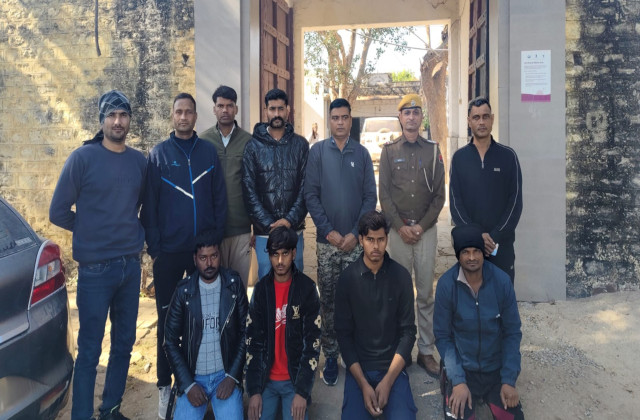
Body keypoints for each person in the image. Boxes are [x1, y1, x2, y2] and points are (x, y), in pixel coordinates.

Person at [49, 90, 146, 420]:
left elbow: (140, 205)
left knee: (124, 344)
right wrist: (88, 229)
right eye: (112, 115)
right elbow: (58, 211)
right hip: (95, 272)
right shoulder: (82, 158)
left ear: (130, 120)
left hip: (130, 267)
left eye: (123, 115)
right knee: (90, 349)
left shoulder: (139, 162)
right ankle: (81, 415)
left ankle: (111, 410)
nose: (118, 121)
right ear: (102, 120)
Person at [140, 93, 227, 419]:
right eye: (179, 111)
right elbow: (149, 207)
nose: (184, 116)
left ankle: (197, 381)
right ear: (172, 115)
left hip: (202, 254)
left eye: (189, 111)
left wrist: (214, 241)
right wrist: (156, 250)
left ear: (195, 116)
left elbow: (219, 199)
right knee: (168, 322)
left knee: (203, 319)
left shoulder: (208, 152)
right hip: (169, 255)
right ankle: (166, 386)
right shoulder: (158, 155)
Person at [304, 98, 377, 386]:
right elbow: (311, 195)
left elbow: (370, 197)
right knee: (330, 301)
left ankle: (355, 355)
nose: (340, 122)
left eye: (345, 117)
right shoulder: (318, 153)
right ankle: (332, 356)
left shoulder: (362, 154)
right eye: (335, 118)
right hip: (327, 244)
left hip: (356, 244)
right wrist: (329, 232)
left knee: (358, 300)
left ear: (350, 119)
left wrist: (355, 234)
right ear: (329, 120)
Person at [378, 93, 445, 377]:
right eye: (407, 112)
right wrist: (400, 226)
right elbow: (384, 195)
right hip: (398, 232)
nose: (412, 117)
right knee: (400, 292)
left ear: (421, 117)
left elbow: (439, 195)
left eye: (416, 112)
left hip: (426, 232)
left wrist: (421, 226)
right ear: (400, 117)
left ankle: (426, 351)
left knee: (426, 293)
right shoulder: (389, 151)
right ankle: (401, 351)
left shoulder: (433, 150)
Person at [433, 224, 524, 420]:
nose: (472, 257)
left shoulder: (502, 282)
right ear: (458, 255)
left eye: (476, 251)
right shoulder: (446, 285)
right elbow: (442, 337)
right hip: (463, 369)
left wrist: (508, 380)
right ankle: (449, 380)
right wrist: (458, 381)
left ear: (484, 253)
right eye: (465, 252)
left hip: (495, 370)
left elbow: (512, 332)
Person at [335, 210, 418, 420]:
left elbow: (408, 333)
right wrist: (363, 384)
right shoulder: (347, 279)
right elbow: (343, 335)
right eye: (370, 239)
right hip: (359, 368)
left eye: (380, 239)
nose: (376, 246)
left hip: (392, 367)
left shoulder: (401, 277)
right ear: (361, 240)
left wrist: (388, 381)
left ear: (387, 239)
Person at [163, 232, 248, 420]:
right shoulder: (184, 291)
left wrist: (232, 377)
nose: (209, 263)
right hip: (194, 378)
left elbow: (246, 333)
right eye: (203, 258)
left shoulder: (233, 285)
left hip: (224, 376)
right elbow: (170, 341)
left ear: (220, 255)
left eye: (214, 256)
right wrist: (188, 384)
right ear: (195, 259)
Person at [245, 227, 321, 420]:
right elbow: (253, 343)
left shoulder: (307, 289)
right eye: (275, 254)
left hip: (294, 381)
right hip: (266, 381)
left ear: (294, 253)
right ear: (269, 256)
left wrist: (302, 392)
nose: (280, 261)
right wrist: (254, 390)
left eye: (285, 254)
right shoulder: (261, 291)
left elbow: (312, 345)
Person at [449, 97, 523, 283]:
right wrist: (476, 236)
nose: (481, 122)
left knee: (502, 292)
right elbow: (456, 203)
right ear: (469, 121)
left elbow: (515, 202)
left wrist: (495, 236)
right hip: (470, 247)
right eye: (476, 117)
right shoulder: (459, 158)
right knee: (471, 295)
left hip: (501, 244)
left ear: (492, 119)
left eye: (485, 116)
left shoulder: (508, 156)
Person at [242, 88, 308, 279]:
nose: (277, 113)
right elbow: (248, 189)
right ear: (266, 111)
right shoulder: (253, 146)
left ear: (288, 110)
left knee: (295, 282)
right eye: (272, 109)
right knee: (266, 283)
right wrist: (270, 224)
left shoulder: (300, 145)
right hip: (265, 232)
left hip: (294, 230)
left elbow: (306, 187)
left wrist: (289, 221)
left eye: (281, 108)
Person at [200, 85, 254, 288]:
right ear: (214, 109)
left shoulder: (249, 141)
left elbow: (254, 185)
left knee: (238, 286)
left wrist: (255, 227)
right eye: (220, 106)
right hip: (212, 230)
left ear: (236, 109)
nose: (225, 110)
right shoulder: (203, 141)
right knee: (215, 287)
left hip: (241, 229)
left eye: (229, 106)